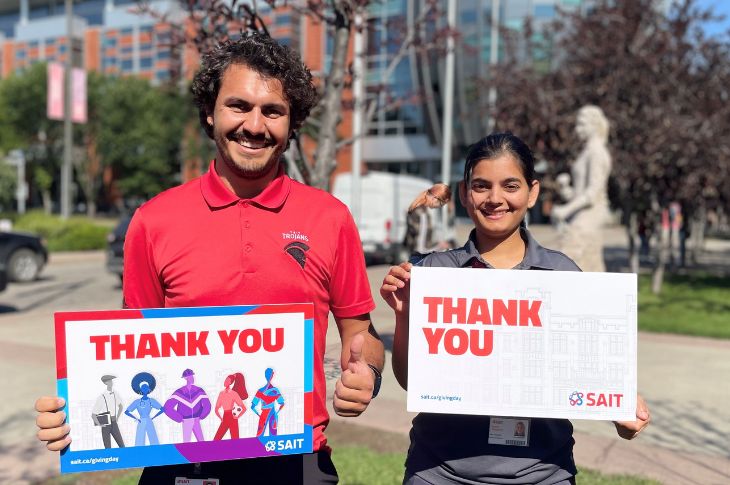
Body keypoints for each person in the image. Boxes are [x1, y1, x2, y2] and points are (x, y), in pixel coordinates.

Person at [35, 31, 384, 483]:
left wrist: (368, 372)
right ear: (210, 111)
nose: (255, 126)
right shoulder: (152, 221)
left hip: (295, 460)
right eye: (238, 105)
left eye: (273, 111)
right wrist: (74, 412)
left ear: (292, 123)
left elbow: (361, 332)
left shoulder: (330, 218)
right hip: (183, 463)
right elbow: (127, 354)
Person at [381, 133, 650, 485]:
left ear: (532, 192)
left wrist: (620, 406)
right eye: (481, 186)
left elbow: (589, 372)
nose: (495, 199)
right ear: (464, 194)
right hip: (439, 471)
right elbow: (412, 380)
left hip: (542, 473)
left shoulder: (562, 274)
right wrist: (403, 314)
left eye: (510, 185)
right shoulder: (433, 273)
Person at [551, 105, 612, 272]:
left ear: (593, 125)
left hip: (590, 216)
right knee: (580, 263)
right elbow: (579, 194)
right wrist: (566, 189)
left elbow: (592, 194)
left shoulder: (597, 153)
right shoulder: (588, 152)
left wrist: (565, 210)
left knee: (574, 260)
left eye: (582, 124)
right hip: (580, 214)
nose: (578, 129)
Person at [403, 183, 453, 263]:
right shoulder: (422, 214)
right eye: (441, 204)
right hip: (418, 260)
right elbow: (420, 248)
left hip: (412, 257)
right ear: (435, 198)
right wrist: (440, 246)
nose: (439, 207)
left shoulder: (418, 209)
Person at [164, 369, 212, 443]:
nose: (192, 378)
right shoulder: (179, 392)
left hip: (196, 419)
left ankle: (204, 454)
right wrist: (179, 418)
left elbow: (207, 404)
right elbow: (167, 407)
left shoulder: (199, 390)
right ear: (185, 378)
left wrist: (202, 416)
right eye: (190, 376)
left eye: (192, 376)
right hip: (186, 421)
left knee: (201, 441)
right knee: (186, 443)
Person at [125, 372, 164, 446]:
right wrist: (136, 418)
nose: (145, 389)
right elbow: (127, 412)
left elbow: (162, 409)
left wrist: (153, 417)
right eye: (143, 388)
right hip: (141, 421)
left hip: (149, 420)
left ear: (149, 389)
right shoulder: (137, 402)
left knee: (154, 441)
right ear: (141, 390)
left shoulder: (151, 400)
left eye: (146, 388)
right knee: (139, 442)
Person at [91, 375, 125, 449]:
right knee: (107, 447)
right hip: (106, 424)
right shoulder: (101, 397)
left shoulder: (115, 393)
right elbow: (93, 415)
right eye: (109, 381)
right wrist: (100, 424)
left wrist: (117, 417)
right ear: (105, 383)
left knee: (122, 446)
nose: (111, 382)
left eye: (111, 380)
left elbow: (121, 407)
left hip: (114, 422)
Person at [251, 367, 285, 437]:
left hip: (266, 414)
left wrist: (259, 415)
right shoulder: (275, 390)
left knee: (263, 435)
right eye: (271, 374)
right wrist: (276, 413)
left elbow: (253, 406)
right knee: (269, 435)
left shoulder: (261, 391)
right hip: (271, 414)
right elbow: (282, 404)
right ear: (272, 375)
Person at [213, 372, 247, 440]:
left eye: (227, 380)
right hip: (225, 417)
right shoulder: (221, 393)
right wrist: (220, 418)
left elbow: (244, 408)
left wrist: (237, 416)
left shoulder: (234, 393)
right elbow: (216, 409)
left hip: (232, 418)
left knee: (235, 440)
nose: (225, 381)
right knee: (216, 439)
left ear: (230, 382)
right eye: (225, 379)